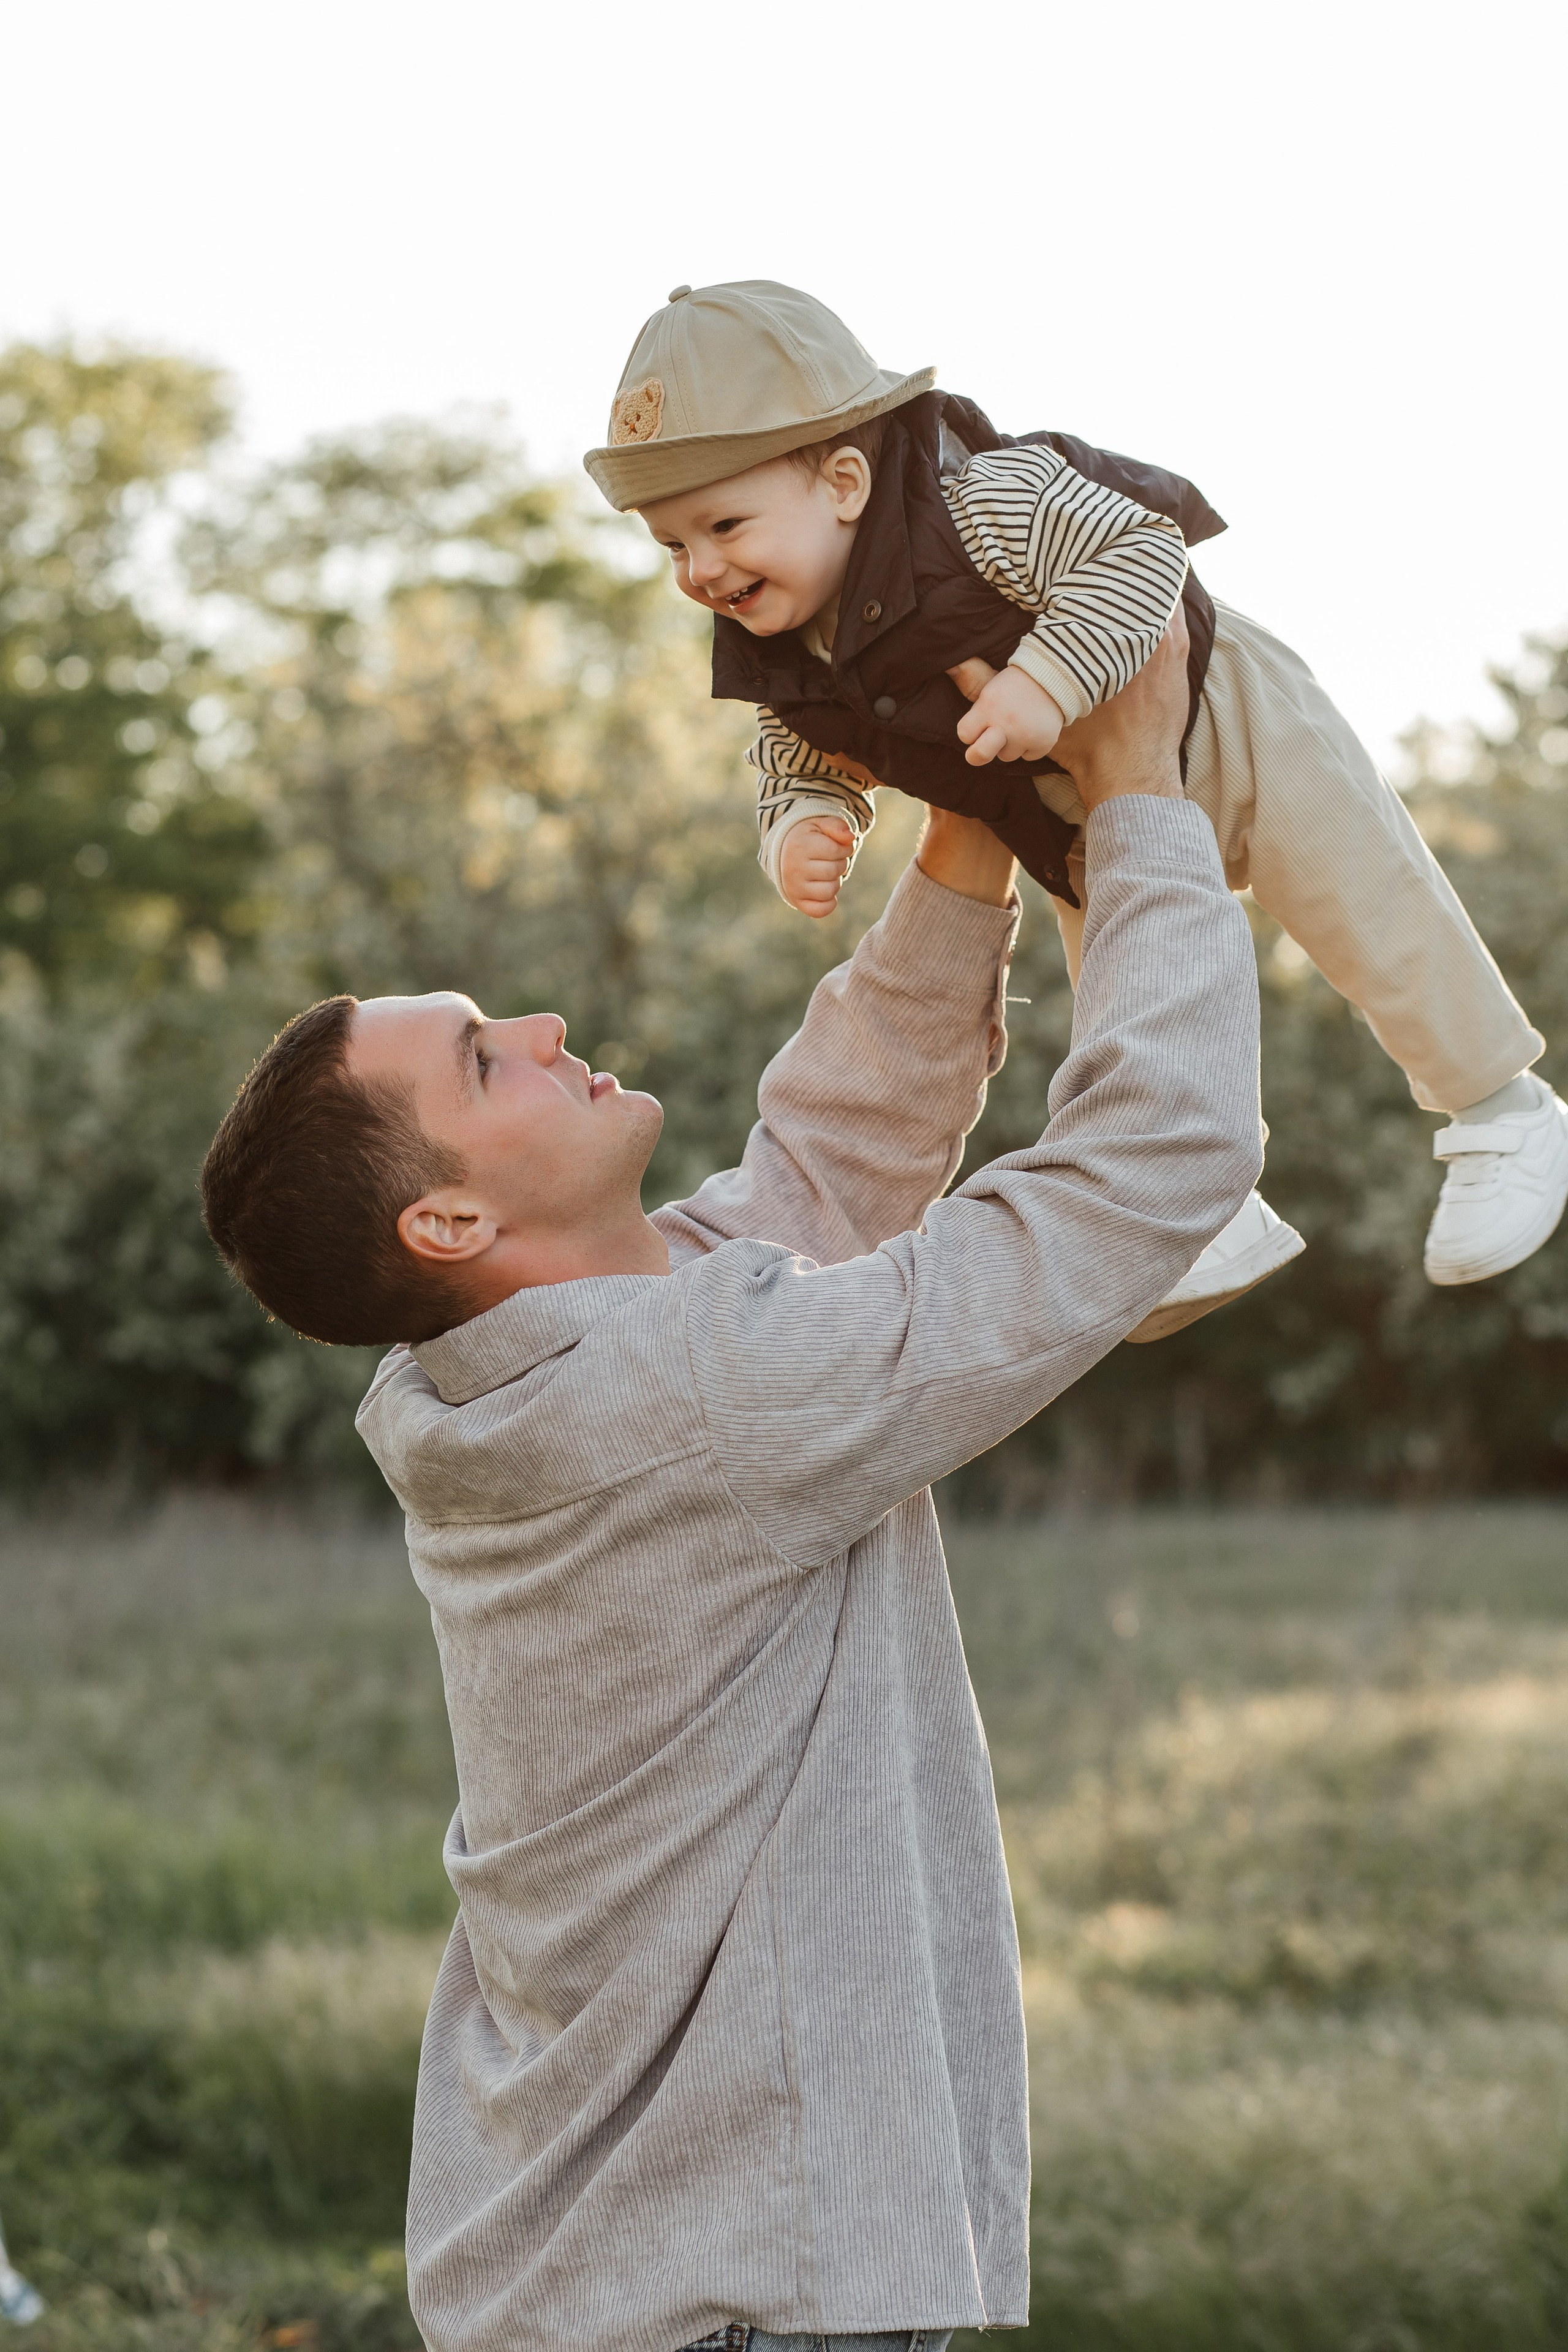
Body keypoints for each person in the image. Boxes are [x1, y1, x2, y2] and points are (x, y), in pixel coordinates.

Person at [200, 616, 1261, 2352]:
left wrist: (969, 836)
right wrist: (1139, 802)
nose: (541, 1024)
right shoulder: (683, 1397)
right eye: (483, 1058)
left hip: (612, 2274)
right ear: (451, 1223)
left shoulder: (504, 1377)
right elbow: (1143, 1178)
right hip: (745, 2290)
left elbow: (823, 1174)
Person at [584, 279, 1568, 1341]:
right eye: (673, 545)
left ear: (844, 480)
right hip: (1074, 811)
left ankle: (1500, 1109)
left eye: (724, 525)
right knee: (1131, 1004)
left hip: (1226, 718)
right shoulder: (788, 639)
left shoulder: (984, 503)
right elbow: (793, 740)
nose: (703, 570)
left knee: (1371, 909)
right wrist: (800, 820)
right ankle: (1203, 1211)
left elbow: (1143, 548)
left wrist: (1049, 678)